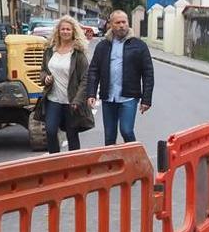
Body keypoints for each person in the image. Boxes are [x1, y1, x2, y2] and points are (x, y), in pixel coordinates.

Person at [86, 9, 154, 145]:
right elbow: (94, 70)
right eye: (118, 22)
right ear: (111, 25)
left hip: (129, 97)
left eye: (124, 22)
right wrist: (91, 93)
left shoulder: (139, 46)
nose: (122, 25)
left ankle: (135, 161)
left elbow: (148, 73)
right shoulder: (102, 46)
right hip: (108, 97)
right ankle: (112, 164)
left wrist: (146, 99)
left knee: (126, 130)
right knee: (109, 136)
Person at [33, 16, 94, 154]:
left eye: (68, 29)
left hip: (71, 101)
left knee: (72, 134)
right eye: (63, 29)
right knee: (50, 130)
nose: (65, 32)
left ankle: (74, 165)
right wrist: (45, 78)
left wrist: (78, 100)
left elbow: (85, 78)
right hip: (53, 99)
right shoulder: (50, 50)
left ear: (73, 32)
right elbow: (42, 70)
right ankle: (55, 161)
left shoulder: (78, 53)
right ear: (58, 31)